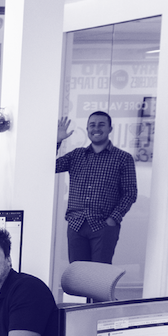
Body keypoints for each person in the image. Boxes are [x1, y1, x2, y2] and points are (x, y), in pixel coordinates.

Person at [54, 110, 138, 264]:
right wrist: (57, 141)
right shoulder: (76, 155)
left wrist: (113, 219)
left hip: (103, 226)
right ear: (87, 129)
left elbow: (130, 193)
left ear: (110, 129)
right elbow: (50, 166)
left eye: (101, 125)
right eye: (92, 125)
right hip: (76, 224)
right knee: (78, 274)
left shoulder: (123, 158)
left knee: (99, 276)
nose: (96, 128)